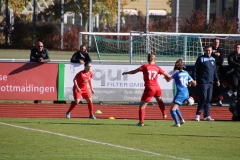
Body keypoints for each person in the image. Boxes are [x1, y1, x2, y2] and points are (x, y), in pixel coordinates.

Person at [122, 52, 171, 126]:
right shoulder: (157, 68)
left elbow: (134, 71)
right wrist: (168, 79)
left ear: (148, 60)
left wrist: (126, 73)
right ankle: (164, 113)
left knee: (142, 106)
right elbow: (168, 75)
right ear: (154, 60)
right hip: (157, 88)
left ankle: (141, 122)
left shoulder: (145, 66)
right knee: (159, 100)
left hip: (149, 88)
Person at [193, 45, 220, 121]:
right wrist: (194, 79)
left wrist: (217, 80)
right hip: (203, 82)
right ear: (204, 51)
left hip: (210, 82)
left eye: (210, 50)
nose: (208, 52)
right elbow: (195, 69)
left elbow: (214, 71)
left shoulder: (213, 59)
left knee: (209, 99)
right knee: (203, 98)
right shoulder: (201, 59)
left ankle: (206, 115)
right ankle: (197, 114)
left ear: (211, 51)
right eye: (207, 50)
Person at [168, 59, 196, 127]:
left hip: (181, 93)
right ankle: (181, 119)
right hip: (186, 92)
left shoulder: (176, 73)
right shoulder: (186, 73)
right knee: (176, 106)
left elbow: (168, 79)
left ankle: (177, 123)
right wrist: (189, 83)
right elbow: (194, 83)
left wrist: (165, 74)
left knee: (172, 110)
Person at [211, 38, 224, 106]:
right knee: (210, 86)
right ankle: (209, 100)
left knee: (218, 86)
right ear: (213, 43)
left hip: (218, 71)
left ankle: (219, 99)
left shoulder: (221, 51)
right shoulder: (210, 50)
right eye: (215, 42)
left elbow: (221, 61)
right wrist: (214, 54)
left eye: (217, 42)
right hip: (210, 71)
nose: (216, 44)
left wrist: (215, 61)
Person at [227, 44, 240, 112]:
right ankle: (232, 91)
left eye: (238, 47)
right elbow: (231, 62)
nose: (237, 49)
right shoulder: (232, 55)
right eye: (236, 47)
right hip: (234, 74)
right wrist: (238, 64)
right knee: (235, 85)